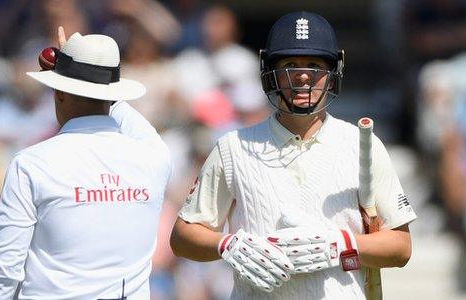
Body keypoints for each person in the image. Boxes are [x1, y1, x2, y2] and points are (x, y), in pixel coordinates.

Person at [170, 11, 416, 299]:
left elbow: (400, 249)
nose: (302, 75)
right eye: (289, 64)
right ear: (270, 72)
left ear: (332, 72)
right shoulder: (233, 147)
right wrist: (227, 245)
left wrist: (342, 244)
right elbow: (182, 238)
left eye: (314, 65)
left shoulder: (362, 145)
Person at [0, 27, 171, 299]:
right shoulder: (154, 158)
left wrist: (71, 69)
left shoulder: (32, 164)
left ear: (59, 93)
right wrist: (85, 72)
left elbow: (2, 268)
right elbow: (137, 125)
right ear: (112, 92)